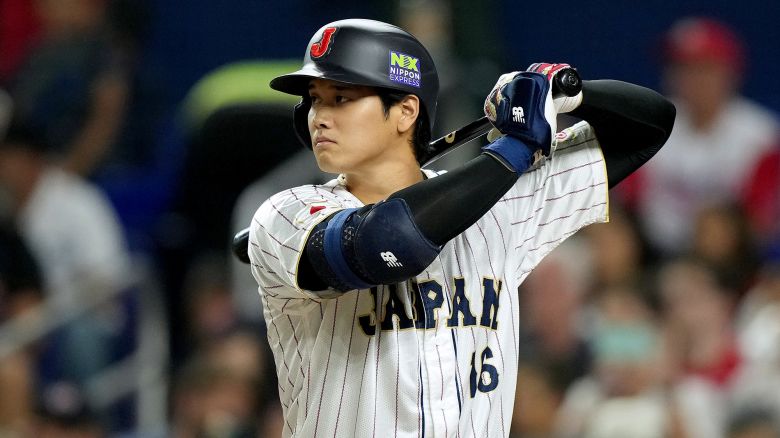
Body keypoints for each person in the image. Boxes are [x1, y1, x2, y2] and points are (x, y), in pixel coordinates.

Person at [245, 19, 675, 437]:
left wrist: (568, 94)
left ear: (405, 111)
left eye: (340, 98)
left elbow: (648, 127)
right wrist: (514, 148)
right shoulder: (287, 214)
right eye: (315, 100)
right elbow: (384, 245)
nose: (319, 116)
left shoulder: (502, 202)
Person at [629, 17, 779, 256]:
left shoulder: (760, 137)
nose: (692, 80)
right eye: (682, 68)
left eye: (703, 68)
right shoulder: (649, 125)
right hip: (653, 254)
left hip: (732, 261)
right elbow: (627, 203)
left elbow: (757, 222)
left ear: (730, 73)